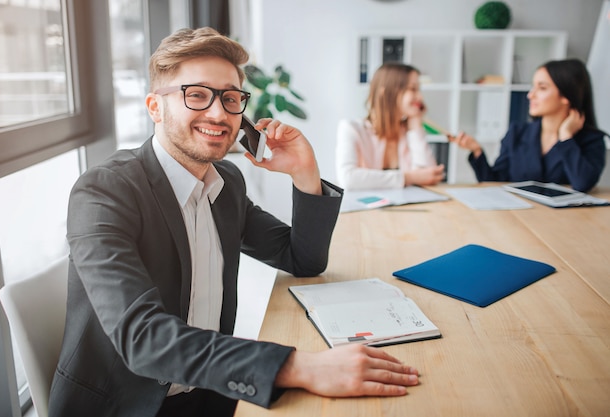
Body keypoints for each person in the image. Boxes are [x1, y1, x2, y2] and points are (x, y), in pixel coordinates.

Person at [48, 27, 420, 417]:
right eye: (196, 94)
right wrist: (298, 365)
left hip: (213, 392)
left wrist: (304, 172)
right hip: (128, 406)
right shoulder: (105, 191)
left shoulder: (225, 182)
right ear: (155, 107)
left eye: (230, 98)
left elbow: (302, 259)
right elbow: (143, 339)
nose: (218, 113)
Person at [449, 58, 606, 192]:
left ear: (566, 96)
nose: (531, 95)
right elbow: (495, 181)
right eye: (533, 86)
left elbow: (582, 183)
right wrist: (477, 151)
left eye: (542, 88)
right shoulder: (517, 133)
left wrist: (566, 137)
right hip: (518, 219)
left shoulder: (591, 140)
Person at [336, 62, 445, 190]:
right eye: (413, 89)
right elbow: (348, 179)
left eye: (419, 90)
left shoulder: (408, 132)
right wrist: (409, 178)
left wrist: (416, 125)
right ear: (387, 92)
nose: (420, 97)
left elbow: (430, 176)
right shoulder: (351, 128)